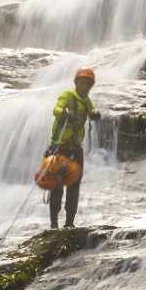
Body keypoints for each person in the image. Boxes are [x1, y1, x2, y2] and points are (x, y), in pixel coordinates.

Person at [44, 66, 98, 231]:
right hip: (60, 146)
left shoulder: (87, 100)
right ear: (76, 83)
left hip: (75, 148)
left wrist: (96, 114)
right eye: (82, 83)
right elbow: (56, 109)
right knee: (57, 186)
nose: (85, 86)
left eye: (88, 84)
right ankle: (54, 223)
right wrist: (64, 112)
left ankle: (69, 222)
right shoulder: (68, 96)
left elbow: (92, 111)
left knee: (74, 186)